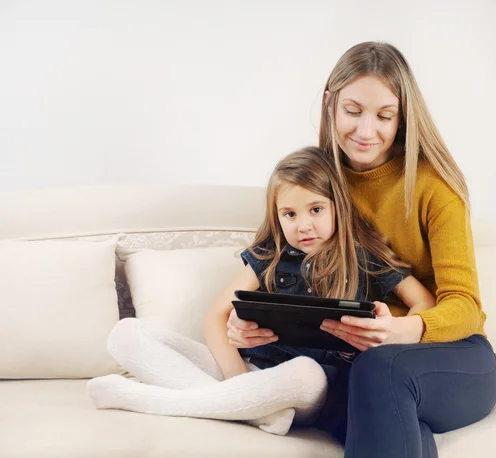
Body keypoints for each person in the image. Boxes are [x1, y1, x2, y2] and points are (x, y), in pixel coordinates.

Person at [226, 42, 496, 457]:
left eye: (384, 115)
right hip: (361, 367)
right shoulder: (317, 184)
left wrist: (397, 331)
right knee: (364, 395)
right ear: (329, 105)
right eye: (353, 111)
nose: (366, 130)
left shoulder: (435, 187)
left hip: (452, 357)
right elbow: (282, 269)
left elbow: (465, 307)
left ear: (403, 116)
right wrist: (247, 327)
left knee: (378, 368)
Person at [86, 146, 436, 437]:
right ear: (277, 216)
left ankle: (149, 400)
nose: (304, 225)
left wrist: (392, 328)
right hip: (257, 375)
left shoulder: (364, 256)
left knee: (305, 371)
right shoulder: (270, 256)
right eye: (290, 214)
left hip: (313, 387)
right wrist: (238, 379)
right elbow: (215, 316)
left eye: (316, 209)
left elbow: (424, 301)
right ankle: (255, 411)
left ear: (338, 207)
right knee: (125, 333)